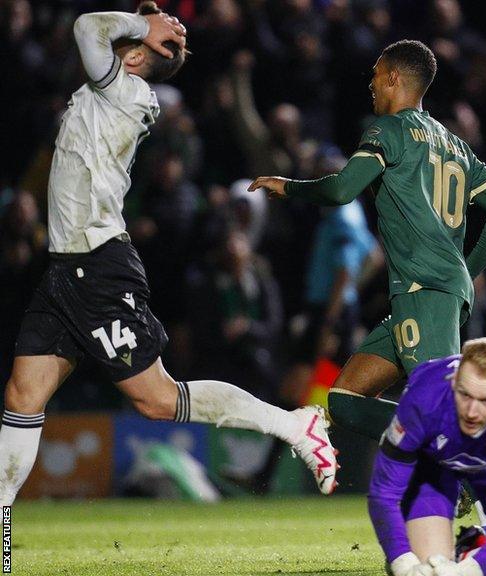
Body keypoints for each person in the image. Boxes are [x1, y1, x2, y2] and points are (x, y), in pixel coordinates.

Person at [0, 3, 338, 506]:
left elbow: (86, 26)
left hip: (95, 265)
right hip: (64, 269)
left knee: (158, 400)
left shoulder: (122, 90)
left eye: (132, 43)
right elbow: (106, 36)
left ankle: (294, 424)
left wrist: (147, 26)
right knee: (22, 396)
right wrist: (147, 22)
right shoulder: (111, 88)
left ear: (135, 60)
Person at [248, 40, 486, 446]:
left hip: (424, 291)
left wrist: (288, 187)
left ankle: (483, 475)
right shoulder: (455, 144)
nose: (372, 84)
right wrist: (465, 270)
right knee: (343, 401)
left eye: (376, 74)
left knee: (441, 407)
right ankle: (439, 446)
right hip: (424, 293)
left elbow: (342, 189)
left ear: (394, 77)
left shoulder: (388, 130)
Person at [367, 338, 486, 576]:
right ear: (454, 381)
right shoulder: (423, 398)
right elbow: (383, 494)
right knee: (429, 568)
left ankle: (472, 552)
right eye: (465, 395)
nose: (472, 412)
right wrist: (402, 562)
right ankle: (452, 553)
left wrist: (471, 569)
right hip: (433, 470)